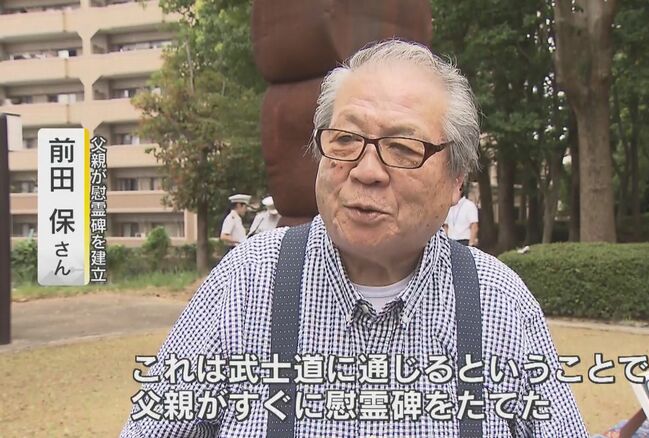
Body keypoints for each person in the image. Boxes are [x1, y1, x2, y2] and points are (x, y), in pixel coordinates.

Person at [120, 39, 587, 437]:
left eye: (402, 148)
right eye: (345, 139)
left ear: (455, 181)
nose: (366, 171)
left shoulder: (498, 304)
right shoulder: (246, 283)